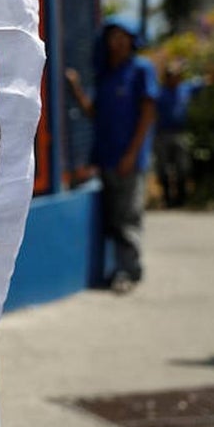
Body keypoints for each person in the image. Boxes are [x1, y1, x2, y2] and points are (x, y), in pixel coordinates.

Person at [66, 17, 158, 294]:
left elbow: (148, 113)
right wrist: (76, 89)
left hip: (128, 159)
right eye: (112, 36)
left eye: (123, 36)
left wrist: (132, 154)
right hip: (105, 156)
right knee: (112, 217)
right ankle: (120, 267)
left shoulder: (141, 69)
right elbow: (95, 114)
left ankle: (128, 271)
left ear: (132, 40)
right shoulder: (105, 74)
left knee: (128, 216)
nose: (117, 42)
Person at [153, 61, 202, 209]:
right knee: (163, 167)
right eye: (170, 76)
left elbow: (202, 83)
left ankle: (181, 199)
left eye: (176, 75)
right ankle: (167, 199)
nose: (173, 78)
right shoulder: (159, 93)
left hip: (180, 133)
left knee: (182, 167)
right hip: (162, 134)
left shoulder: (184, 89)